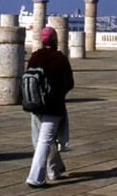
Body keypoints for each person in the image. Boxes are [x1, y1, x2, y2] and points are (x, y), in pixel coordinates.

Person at [26, 26, 74, 188]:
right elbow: (69, 83)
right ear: (54, 40)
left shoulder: (34, 56)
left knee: (41, 140)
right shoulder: (59, 58)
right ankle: (35, 178)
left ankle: (54, 170)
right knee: (46, 141)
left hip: (35, 105)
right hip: (53, 106)